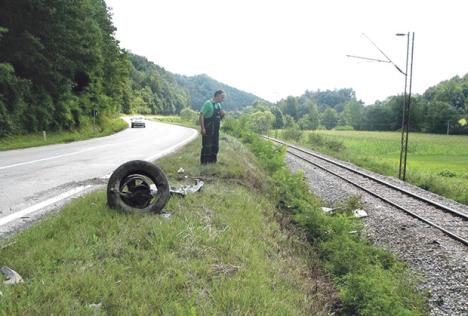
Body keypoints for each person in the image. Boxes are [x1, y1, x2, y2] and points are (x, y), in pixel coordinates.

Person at [199, 90, 226, 164]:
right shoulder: (208, 103)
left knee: (215, 146)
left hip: (216, 131)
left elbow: (219, 118)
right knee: (207, 147)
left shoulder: (218, 105)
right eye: (222, 97)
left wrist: (222, 115)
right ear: (217, 95)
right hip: (208, 129)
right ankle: (204, 164)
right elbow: (201, 115)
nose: (223, 99)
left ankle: (212, 163)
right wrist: (203, 128)